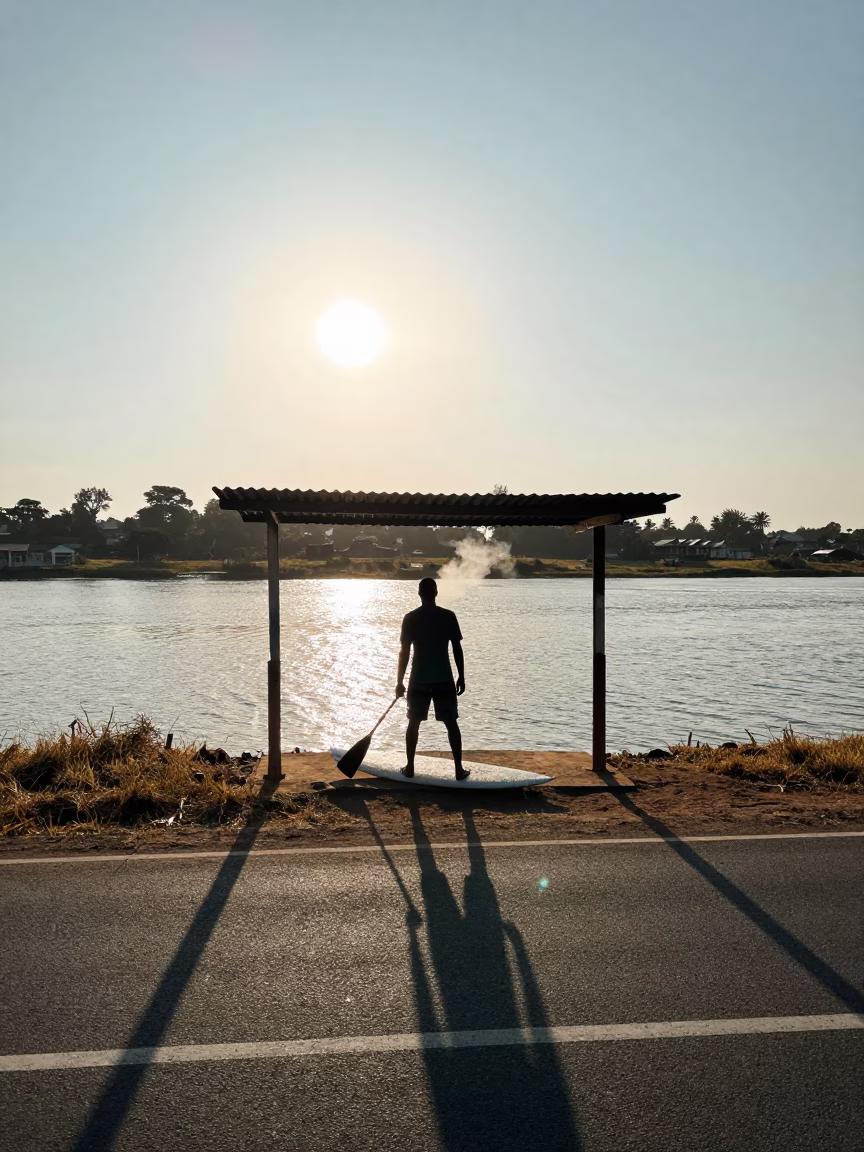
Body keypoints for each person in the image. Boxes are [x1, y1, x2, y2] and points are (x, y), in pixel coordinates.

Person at [396, 577, 469, 780]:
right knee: (451, 723)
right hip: (444, 679)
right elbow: (457, 648)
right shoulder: (448, 616)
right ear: (436, 593)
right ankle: (458, 769)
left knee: (413, 723)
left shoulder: (410, 618)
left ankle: (410, 767)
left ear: (419, 594)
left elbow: (404, 652)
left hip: (419, 680)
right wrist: (461, 676)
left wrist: (399, 681)